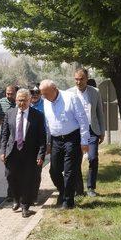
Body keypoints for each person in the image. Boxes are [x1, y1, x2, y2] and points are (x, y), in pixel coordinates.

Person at [39, 79, 90, 209]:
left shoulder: (70, 98)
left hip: (72, 138)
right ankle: (64, 190)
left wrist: (84, 141)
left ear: (54, 89)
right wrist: (49, 143)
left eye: (46, 93)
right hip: (56, 140)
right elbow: (48, 124)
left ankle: (68, 201)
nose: (44, 96)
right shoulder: (45, 102)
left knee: (69, 171)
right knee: (54, 171)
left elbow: (83, 120)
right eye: (42, 94)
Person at [0, 88, 47, 217]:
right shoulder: (9, 114)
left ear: (30, 100)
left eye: (25, 100)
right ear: (16, 100)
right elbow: (4, 135)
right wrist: (3, 151)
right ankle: (16, 198)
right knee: (11, 176)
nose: (22, 103)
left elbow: (42, 137)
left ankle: (25, 206)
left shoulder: (37, 115)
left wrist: (41, 154)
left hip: (30, 152)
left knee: (28, 179)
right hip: (13, 151)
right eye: (20, 100)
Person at [72, 68, 105, 197]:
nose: (79, 82)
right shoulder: (70, 93)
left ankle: (91, 187)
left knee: (93, 158)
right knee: (75, 160)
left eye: (81, 79)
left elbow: (100, 113)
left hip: (92, 130)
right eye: (76, 79)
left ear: (87, 79)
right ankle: (79, 189)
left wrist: (102, 131)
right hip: (76, 131)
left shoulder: (95, 92)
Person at [0, 85, 17, 201]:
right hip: (6, 138)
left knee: (19, 166)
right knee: (8, 167)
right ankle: (10, 192)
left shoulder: (21, 102)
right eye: (7, 93)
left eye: (11, 94)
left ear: (16, 93)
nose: (9, 96)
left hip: (19, 138)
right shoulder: (2, 102)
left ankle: (18, 191)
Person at [30, 85, 44, 203]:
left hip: (40, 141)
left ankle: (34, 195)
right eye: (32, 92)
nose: (34, 94)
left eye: (37, 92)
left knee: (36, 169)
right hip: (26, 143)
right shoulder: (25, 104)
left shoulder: (46, 105)